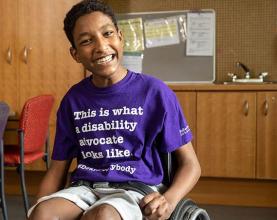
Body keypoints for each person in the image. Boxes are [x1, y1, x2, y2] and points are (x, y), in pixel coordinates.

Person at [28, 0, 201, 219]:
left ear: (120, 36)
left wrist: (170, 199)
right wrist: (37, 208)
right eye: (87, 41)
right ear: (75, 54)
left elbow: (191, 165)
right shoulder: (73, 100)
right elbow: (57, 169)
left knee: (103, 215)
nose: (101, 46)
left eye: (107, 33)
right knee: (43, 213)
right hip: (86, 187)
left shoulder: (154, 92)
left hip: (135, 190)